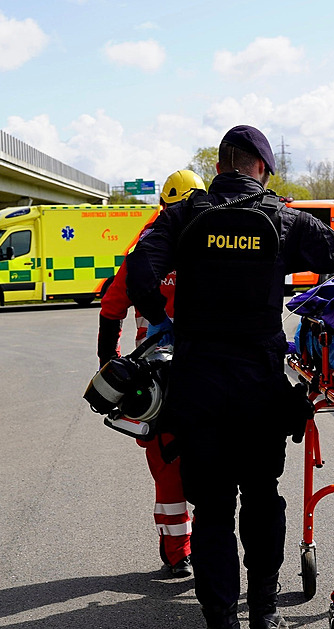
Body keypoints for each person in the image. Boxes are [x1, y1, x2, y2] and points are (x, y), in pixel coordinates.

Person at [124, 124, 334, 629]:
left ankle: (220, 620)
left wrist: (166, 323)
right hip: (258, 388)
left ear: (220, 165)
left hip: (197, 385)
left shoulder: (183, 216)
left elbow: (137, 273)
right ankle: (263, 612)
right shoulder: (282, 218)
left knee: (213, 509)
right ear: (261, 168)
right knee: (262, 498)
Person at [97, 169, 206, 578]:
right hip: (201, 371)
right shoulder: (211, 242)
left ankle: (178, 550)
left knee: (167, 463)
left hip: (156, 381)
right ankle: (187, 547)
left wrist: (110, 363)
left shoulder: (144, 249)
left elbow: (111, 308)